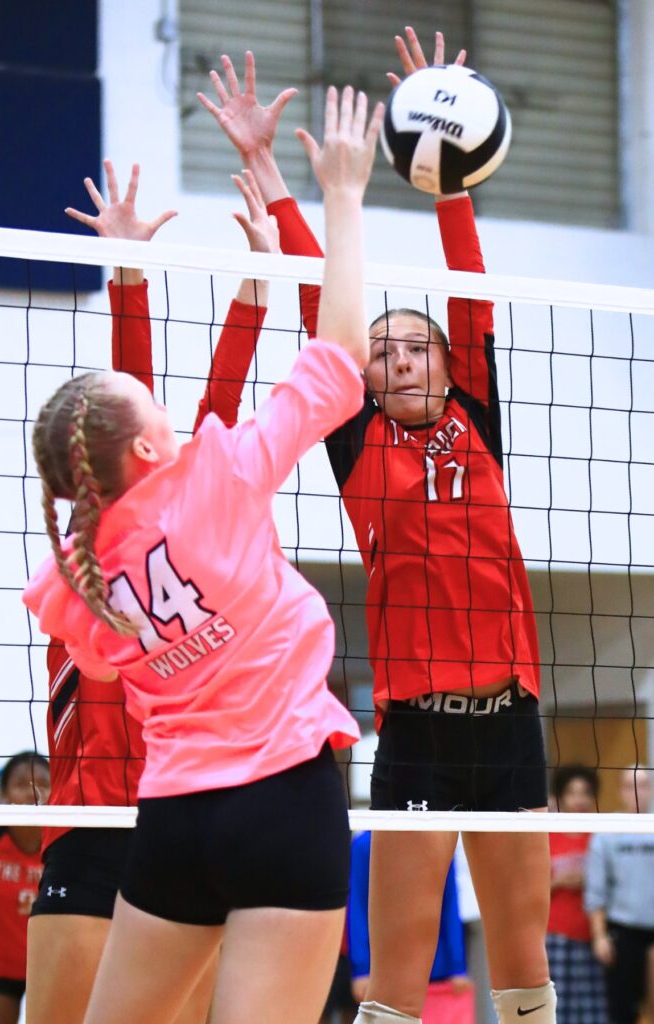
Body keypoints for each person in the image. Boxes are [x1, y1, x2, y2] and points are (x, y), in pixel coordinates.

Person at [199, 28, 554, 1024]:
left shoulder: (475, 417)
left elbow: (466, 270)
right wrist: (265, 164)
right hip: (414, 734)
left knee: (523, 970)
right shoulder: (356, 442)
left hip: (511, 723)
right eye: (381, 351)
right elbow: (324, 291)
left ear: (449, 363)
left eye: (414, 348)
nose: (394, 360)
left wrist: (443, 166)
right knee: (395, 977)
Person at [23, 86, 383, 1024]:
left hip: (173, 819)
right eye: (145, 399)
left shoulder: (77, 571)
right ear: (143, 448)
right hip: (284, 802)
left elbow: (101, 653)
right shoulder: (218, 478)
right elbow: (342, 352)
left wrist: (135, 277)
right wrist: (342, 195)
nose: (170, 404)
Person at [25, 158, 280, 1024]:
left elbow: (214, 403)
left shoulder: (195, 528)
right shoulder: (94, 543)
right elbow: (121, 405)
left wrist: (259, 282)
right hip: (101, 826)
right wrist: (130, 277)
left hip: (185, 822)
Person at [348, 833, 474, 1024]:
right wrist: (361, 969)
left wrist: (458, 967)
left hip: (437, 968)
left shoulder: (439, 840)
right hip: (384, 970)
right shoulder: (364, 845)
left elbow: (450, 905)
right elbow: (357, 909)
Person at [0, 752, 50, 1024]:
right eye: (21, 784)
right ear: (2, 794)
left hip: (51, 965)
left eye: (42, 783)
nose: (34, 792)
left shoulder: (69, 844)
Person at [585, 766, 654, 1024]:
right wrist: (599, 935)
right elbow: (596, 890)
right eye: (630, 785)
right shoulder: (608, 830)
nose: (637, 791)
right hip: (623, 933)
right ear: (621, 791)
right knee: (622, 1012)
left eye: (643, 784)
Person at [546, 766, 607, 1024]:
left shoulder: (600, 835)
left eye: (585, 793)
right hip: (555, 936)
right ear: (561, 797)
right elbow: (532, 889)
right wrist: (559, 880)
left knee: (593, 1011)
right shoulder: (547, 835)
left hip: (593, 937)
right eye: (572, 792)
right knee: (558, 1010)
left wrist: (589, 880)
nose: (579, 799)